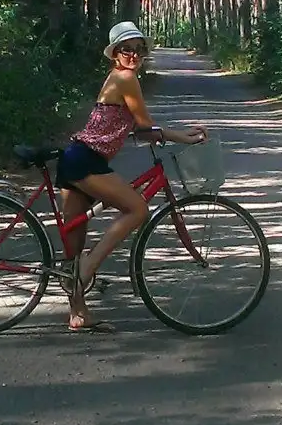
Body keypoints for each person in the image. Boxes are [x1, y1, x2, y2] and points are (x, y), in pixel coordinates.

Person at [56, 21, 208, 331]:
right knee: (138, 208)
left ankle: (78, 314)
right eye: (127, 49)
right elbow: (146, 126)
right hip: (85, 161)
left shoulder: (118, 77)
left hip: (77, 158)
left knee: (74, 241)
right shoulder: (126, 78)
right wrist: (184, 137)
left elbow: (139, 130)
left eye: (140, 49)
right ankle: (88, 268)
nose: (134, 55)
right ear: (115, 54)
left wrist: (178, 135)